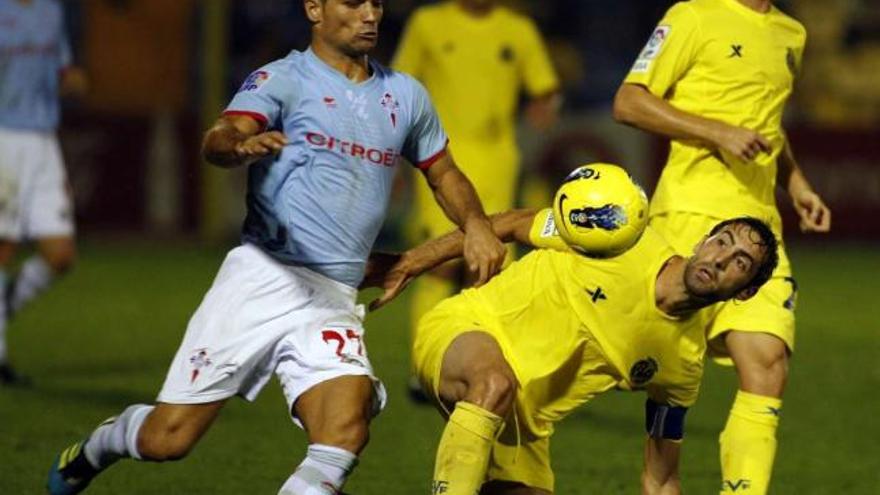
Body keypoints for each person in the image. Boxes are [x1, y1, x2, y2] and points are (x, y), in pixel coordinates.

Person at [45, 1, 505, 494]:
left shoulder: (405, 95)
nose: (369, 14)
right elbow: (219, 138)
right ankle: (101, 444)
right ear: (314, 8)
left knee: (344, 432)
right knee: (168, 440)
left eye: (376, 2)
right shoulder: (284, 78)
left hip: (333, 295)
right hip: (263, 277)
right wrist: (237, 147)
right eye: (353, 3)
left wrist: (475, 223)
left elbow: (443, 173)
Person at [367, 207, 778, 495]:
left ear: (746, 292)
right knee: (493, 382)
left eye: (740, 262)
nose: (721, 258)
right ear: (702, 242)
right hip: (465, 329)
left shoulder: (682, 366)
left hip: (521, 425)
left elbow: (661, 479)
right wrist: (409, 262)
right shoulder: (623, 238)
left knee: (500, 396)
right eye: (721, 242)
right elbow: (510, 224)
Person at [612, 1, 832, 492]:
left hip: (759, 232)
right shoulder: (693, 15)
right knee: (672, 385)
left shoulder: (790, 33)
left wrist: (796, 183)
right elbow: (627, 102)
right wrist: (717, 132)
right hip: (689, 219)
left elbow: (768, 125)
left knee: (769, 363)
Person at [392, 0, 561, 381]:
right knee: (442, 262)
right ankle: (426, 367)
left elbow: (545, 89)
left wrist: (544, 109)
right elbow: (401, 82)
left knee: (494, 265)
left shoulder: (518, 30)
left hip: (498, 160)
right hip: (440, 155)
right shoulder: (428, 23)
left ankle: (495, 362)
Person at [0, 0, 88, 384]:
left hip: (42, 138)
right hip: (4, 135)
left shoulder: (51, 9)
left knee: (60, 253)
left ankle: (2, 311)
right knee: (3, 247)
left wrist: (71, 79)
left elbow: (62, 69)